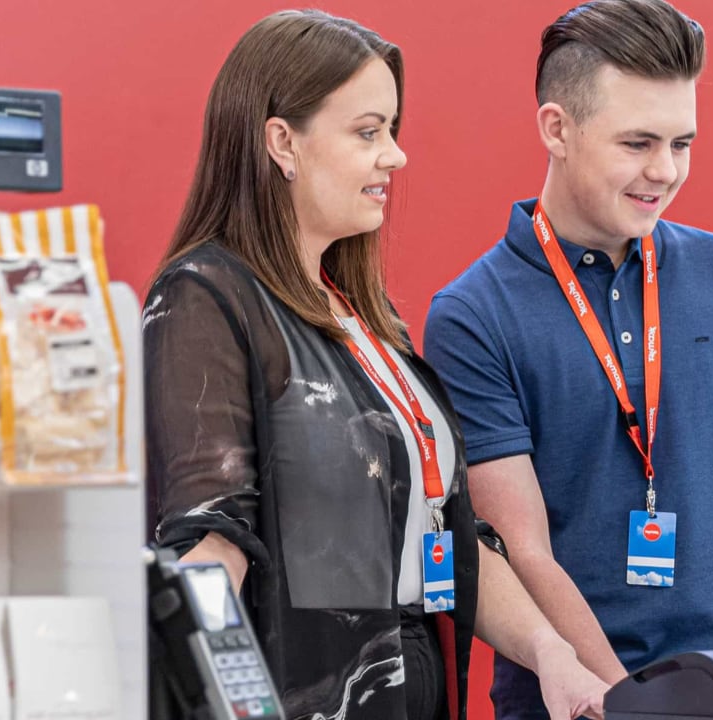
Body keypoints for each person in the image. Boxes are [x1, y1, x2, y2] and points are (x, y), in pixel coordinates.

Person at [143, 10, 606, 720]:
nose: (395, 155)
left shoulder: (369, 316)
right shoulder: (207, 297)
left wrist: (552, 655)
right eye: (368, 132)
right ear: (281, 142)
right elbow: (210, 542)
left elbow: (451, 540)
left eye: (392, 129)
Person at [423, 1, 713, 718]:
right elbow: (520, 551)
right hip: (581, 701)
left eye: (682, 143)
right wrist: (627, 700)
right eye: (638, 143)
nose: (665, 170)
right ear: (556, 128)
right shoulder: (473, 314)